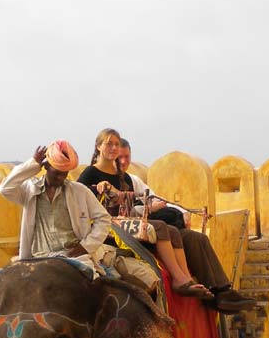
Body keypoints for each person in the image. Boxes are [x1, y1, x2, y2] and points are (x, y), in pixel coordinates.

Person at [115, 137, 257, 314]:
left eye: (127, 157)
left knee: (197, 238)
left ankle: (221, 291)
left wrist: (181, 212)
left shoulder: (132, 179)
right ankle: (187, 282)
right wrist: (146, 208)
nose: (123, 161)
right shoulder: (100, 178)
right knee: (170, 230)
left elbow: (158, 198)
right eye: (119, 157)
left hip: (150, 227)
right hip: (130, 230)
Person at [78, 128, 211, 300]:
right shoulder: (91, 173)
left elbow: (133, 205)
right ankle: (178, 279)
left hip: (126, 220)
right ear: (98, 147)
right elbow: (79, 195)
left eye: (116, 144)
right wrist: (98, 188)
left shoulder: (123, 177)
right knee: (162, 227)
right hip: (107, 225)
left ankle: (185, 277)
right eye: (109, 143)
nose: (113, 148)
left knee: (173, 231)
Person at [0, 141, 111, 266]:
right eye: (57, 173)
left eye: (65, 173)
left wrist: (86, 246)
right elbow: (5, 188)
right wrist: (33, 164)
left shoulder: (79, 191)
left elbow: (104, 219)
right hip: (37, 259)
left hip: (73, 259)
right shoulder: (29, 190)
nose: (60, 178)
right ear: (45, 166)